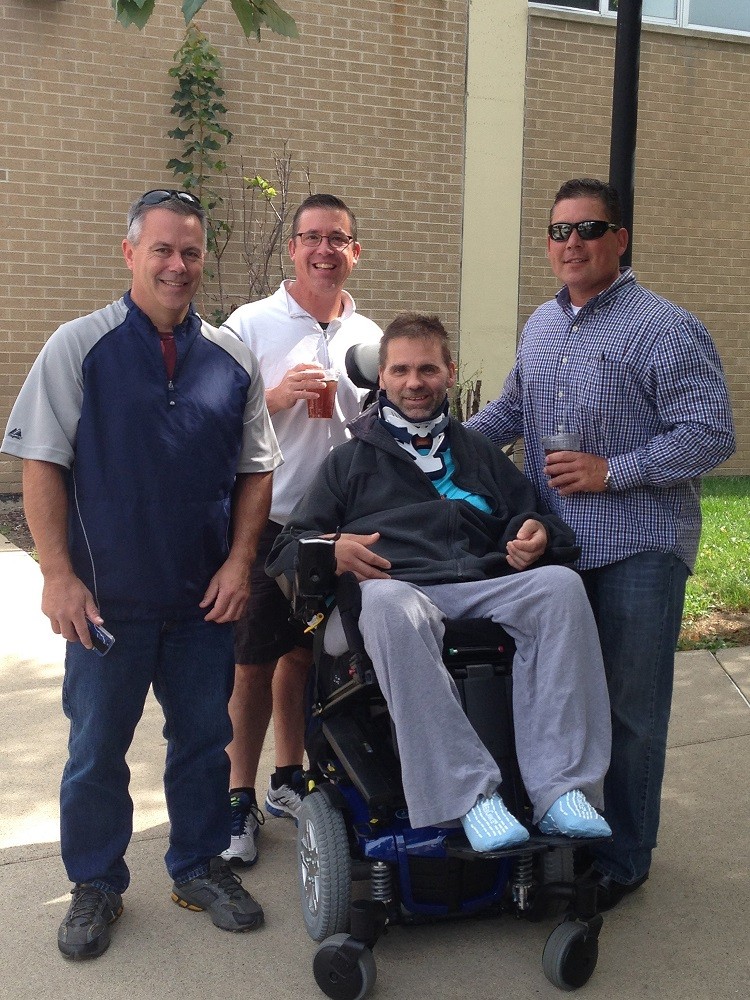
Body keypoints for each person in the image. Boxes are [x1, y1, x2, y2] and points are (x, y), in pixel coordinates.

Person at [1, 189, 282, 959]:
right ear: (130, 253)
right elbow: (40, 463)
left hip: (203, 603)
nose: (177, 264)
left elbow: (258, 470)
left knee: (203, 740)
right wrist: (57, 575)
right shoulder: (77, 347)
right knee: (97, 749)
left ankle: (197, 865)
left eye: (190, 251)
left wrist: (238, 561)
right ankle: (95, 882)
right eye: (161, 249)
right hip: (107, 603)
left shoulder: (230, 359)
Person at [468, 178, 735, 905]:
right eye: (559, 232)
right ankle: (568, 829)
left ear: (620, 238)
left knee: (629, 710)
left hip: (637, 550)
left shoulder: (664, 327)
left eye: (589, 229)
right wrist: (430, 446)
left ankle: (622, 859)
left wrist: (613, 471)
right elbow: (512, 411)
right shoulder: (543, 325)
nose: (572, 244)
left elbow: (711, 434)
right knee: (560, 700)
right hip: (555, 550)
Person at [267, 313, 613, 850]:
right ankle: (470, 796)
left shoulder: (477, 453)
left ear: (450, 373)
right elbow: (288, 547)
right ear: (381, 378)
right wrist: (335, 550)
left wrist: (536, 535)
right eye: (400, 370)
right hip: (393, 587)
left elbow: (533, 519)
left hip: (479, 581)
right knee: (387, 605)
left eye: (427, 369)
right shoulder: (349, 462)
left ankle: (562, 789)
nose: (414, 382)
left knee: (559, 589)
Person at [218, 194, 381, 866]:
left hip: (337, 529)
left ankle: (287, 778)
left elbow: (377, 433)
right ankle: (236, 800)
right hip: (268, 523)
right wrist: (276, 398)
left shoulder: (369, 336)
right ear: (293, 248)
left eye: (337, 239)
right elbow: (208, 423)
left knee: (303, 657)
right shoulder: (250, 324)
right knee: (250, 663)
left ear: (355, 251)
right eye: (311, 237)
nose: (324, 250)